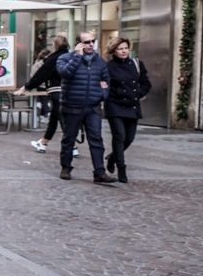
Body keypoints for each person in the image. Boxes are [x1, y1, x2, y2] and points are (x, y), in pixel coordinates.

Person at [57, 31, 117, 184]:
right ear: (79, 44)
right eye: (87, 42)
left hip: (93, 107)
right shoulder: (65, 58)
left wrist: (102, 94)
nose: (91, 45)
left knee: (96, 139)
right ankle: (66, 167)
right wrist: (77, 57)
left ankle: (99, 172)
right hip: (71, 105)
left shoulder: (100, 61)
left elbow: (106, 81)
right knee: (69, 139)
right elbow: (65, 74)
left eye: (93, 41)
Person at [104, 38, 151, 183]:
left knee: (129, 138)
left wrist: (137, 94)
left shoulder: (136, 64)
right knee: (119, 136)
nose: (124, 51)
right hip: (115, 105)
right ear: (114, 51)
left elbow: (146, 84)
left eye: (125, 48)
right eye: (120, 49)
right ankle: (121, 168)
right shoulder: (108, 67)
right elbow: (105, 86)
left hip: (132, 105)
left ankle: (112, 157)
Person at [15, 35, 71, 155]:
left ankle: (72, 147)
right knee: (54, 118)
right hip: (69, 91)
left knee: (62, 120)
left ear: (55, 45)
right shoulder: (71, 56)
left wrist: (26, 87)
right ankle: (43, 142)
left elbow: (41, 74)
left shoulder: (54, 58)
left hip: (56, 90)